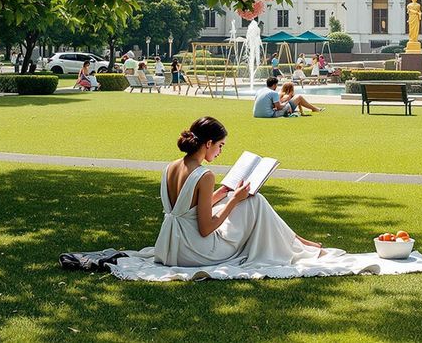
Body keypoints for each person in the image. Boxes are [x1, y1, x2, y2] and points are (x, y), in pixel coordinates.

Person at [112, 116, 328, 278]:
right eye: (220, 146)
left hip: (169, 246)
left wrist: (224, 192)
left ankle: (297, 240)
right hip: (195, 252)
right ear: (208, 143)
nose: (220, 151)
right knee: (256, 201)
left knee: (247, 199)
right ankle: (296, 242)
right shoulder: (204, 175)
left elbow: (186, 207)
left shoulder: (171, 167)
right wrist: (234, 200)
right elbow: (206, 228)